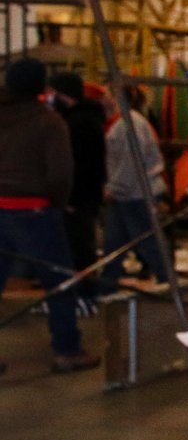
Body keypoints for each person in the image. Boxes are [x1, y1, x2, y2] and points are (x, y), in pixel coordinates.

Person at [0, 58, 98, 375]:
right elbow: (61, 172)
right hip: (35, 210)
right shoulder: (49, 121)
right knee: (59, 282)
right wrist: (58, 202)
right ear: (43, 86)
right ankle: (66, 350)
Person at [48, 72, 108, 310]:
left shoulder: (78, 124)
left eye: (54, 93)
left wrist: (70, 197)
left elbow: (79, 166)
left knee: (79, 248)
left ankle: (84, 295)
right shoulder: (83, 120)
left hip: (79, 197)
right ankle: (82, 294)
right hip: (84, 195)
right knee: (79, 246)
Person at [103, 83, 172, 288]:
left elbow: (131, 161)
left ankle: (166, 279)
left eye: (106, 94)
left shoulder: (128, 124)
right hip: (131, 192)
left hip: (136, 192)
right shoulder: (127, 122)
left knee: (146, 239)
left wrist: (114, 187)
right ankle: (107, 282)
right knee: (116, 240)